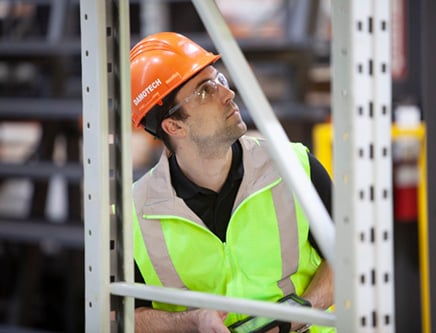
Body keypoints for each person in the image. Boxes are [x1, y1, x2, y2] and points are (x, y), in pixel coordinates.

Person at [130, 32, 334, 333]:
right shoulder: (134, 213)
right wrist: (191, 321)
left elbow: (350, 257)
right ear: (174, 125)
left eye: (220, 81)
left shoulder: (295, 167)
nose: (228, 94)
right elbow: (124, 316)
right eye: (204, 91)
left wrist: (297, 315)